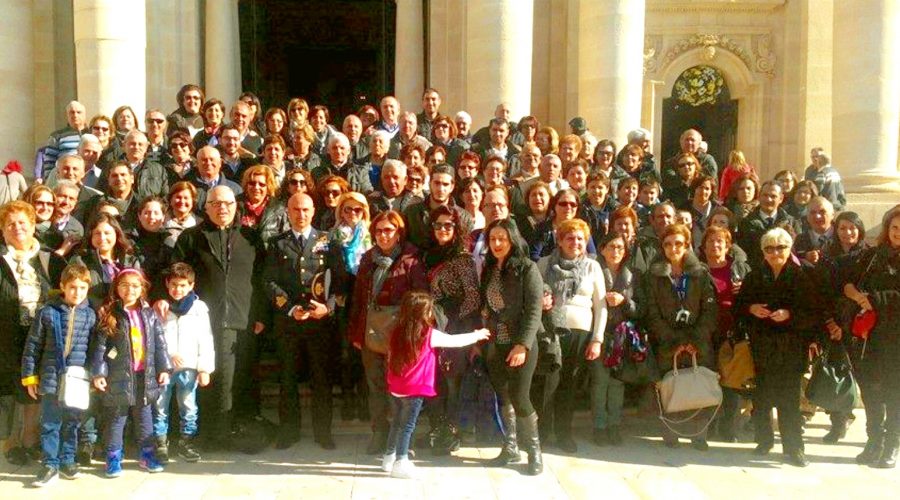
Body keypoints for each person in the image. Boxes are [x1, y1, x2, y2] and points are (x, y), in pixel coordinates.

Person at [172, 185, 259, 448]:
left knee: (237, 378)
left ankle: (232, 430)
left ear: (236, 206)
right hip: (202, 321)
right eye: (216, 203)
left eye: (228, 204)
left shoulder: (251, 238)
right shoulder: (190, 237)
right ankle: (211, 434)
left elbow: (262, 277)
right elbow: (177, 276)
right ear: (206, 207)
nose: (223, 208)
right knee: (209, 376)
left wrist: (261, 315)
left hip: (244, 319)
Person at [263, 193, 343, 450]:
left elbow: (341, 281)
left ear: (313, 210)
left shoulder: (328, 241)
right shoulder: (277, 243)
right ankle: (289, 431)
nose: (301, 214)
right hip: (289, 324)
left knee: (322, 380)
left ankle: (323, 432)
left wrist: (328, 308)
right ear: (288, 211)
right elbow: (269, 281)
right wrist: (289, 308)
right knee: (287, 379)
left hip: (320, 324)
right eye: (296, 209)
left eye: (306, 209)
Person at [381, 291, 490, 479]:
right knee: (408, 426)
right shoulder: (427, 334)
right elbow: (455, 341)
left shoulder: (396, 331)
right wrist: (477, 335)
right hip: (414, 388)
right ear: (423, 314)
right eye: (429, 310)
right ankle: (401, 460)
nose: (432, 314)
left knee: (397, 423)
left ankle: (388, 458)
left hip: (397, 386)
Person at [734, 227, 818, 467]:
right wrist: (752, 309)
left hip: (791, 346)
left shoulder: (801, 275)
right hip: (764, 345)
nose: (774, 253)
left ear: (788, 248)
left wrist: (789, 314)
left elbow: (812, 312)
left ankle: (794, 449)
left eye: (780, 247)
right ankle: (764, 441)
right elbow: (740, 305)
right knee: (762, 397)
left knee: (789, 400)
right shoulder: (755, 275)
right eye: (769, 249)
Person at [348, 210, 428, 455]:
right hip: (371, 333)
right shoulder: (368, 259)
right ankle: (379, 433)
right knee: (376, 387)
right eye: (379, 231)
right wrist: (356, 333)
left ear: (398, 233)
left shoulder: (411, 260)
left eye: (389, 230)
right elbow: (359, 299)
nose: (384, 235)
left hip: (400, 336)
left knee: (401, 390)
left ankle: (401, 439)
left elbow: (422, 298)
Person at [642, 223, 718, 450]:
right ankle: (671, 433)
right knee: (670, 388)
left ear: (687, 245)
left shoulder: (701, 273)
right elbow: (652, 312)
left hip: (698, 341)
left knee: (698, 385)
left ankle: (699, 435)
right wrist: (674, 341)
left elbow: (710, 310)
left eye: (678, 243)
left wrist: (694, 341)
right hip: (667, 341)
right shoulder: (653, 275)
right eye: (668, 244)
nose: (673, 248)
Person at [91, 268, 172, 477]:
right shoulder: (110, 314)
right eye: (125, 285)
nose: (130, 290)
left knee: (145, 417)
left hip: (144, 375)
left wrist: (163, 368)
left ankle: (147, 455)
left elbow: (160, 344)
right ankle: (113, 458)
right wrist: (99, 373)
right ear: (116, 288)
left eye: (135, 285)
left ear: (143, 288)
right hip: (118, 375)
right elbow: (100, 347)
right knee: (117, 418)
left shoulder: (149, 313)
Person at [20, 263, 95, 487]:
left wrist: (93, 376)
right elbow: (32, 346)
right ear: (62, 286)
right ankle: (50, 463)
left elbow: (94, 350)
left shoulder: (90, 315)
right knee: (51, 422)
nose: (77, 292)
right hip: (51, 377)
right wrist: (30, 376)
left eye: (82, 288)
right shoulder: (48, 312)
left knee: (72, 422)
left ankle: (67, 460)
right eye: (72, 287)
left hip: (77, 381)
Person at [535, 219, 607, 453]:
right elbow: (533, 295)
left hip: (579, 334)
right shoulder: (544, 264)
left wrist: (597, 339)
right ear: (560, 240)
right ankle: (543, 433)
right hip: (550, 331)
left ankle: (564, 433)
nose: (575, 242)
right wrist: (542, 301)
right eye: (570, 238)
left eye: (580, 238)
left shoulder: (592, 267)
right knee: (548, 383)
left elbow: (601, 305)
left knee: (569, 384)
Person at [481, 218, 545, 475]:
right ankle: (510, 447)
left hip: (521, 343)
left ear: (512, 240)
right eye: (492, 239)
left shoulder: (527, 268)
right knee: (503, 396)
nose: (497, 244)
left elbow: (534, 311)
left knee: (520, 397)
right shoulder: (489, 269)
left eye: (502, 239)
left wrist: (522, 345)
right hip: (496, 341)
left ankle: (534, 452)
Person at [841, 206, 900, 468]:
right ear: (887, 229)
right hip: (870, 337)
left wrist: (875, 299)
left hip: (897, 338)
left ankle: (891, 446)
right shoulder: (872, 256)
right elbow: (848, 283)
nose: (898, 233)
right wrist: (858, 297)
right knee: (872, 393)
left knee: (895, 394)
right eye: (895, 227)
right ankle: (874, 441)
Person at [421, 205, 482, 454]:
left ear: (458, 229)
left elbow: (472, 297)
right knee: (432, 382)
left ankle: (450, 433)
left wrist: (451, 320)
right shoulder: (429, 255)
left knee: (451, 382)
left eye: (449, 225)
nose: (443, 229)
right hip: (430, 327)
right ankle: (436, 430)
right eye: (438, 225)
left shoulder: (463, 259)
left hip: (454, 328)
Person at [153, 262, 214, 464]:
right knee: (160, 405)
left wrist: (204, 368)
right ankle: (160, 443)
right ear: (167, 284)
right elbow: (155, 336)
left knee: (188, 406)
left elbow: (205, 339)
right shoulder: (161, 307)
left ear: (191, 285)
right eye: (173, 285)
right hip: (165, 368)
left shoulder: (199, 308)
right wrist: (169, 355)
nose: (177, 290)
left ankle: (187, 442)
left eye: (182, 285)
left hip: (189, 368)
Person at [699, 226, 751, 442]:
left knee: (731, 382)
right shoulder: (698, 270)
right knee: (709, 379)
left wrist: (744, 291)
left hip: (734, 332)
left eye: (720, 241)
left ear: (728, 245)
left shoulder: (739, 269)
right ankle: (707, 426)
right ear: (703, 246)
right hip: (708, 331)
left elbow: (754, 297)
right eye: (710, 241)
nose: (715, 245)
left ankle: (729, 428)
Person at [592, 232, 636, 446]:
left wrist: (624, 300)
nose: (615, 251)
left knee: (617, 384)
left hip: (621, 337)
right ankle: (599, 426)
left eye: (620, 247)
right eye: (611, 246)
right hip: (600, 333)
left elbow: (640, 307)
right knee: (600, 383)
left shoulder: (631, 275)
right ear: (602, 249)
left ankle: (614, 425)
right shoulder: (594, 271)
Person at [70, 213, 140, 308]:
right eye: (97, 233)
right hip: (92, 315)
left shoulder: (131, 262)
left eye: (107, 233)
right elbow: (73, 292)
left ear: (116, 234)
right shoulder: (80, 261)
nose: (102, 238)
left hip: (125, 315)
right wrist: (99, 306)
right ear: (91, 236)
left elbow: (139, 292)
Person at [736, 180, 801, 267]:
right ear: (759, 196)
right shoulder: (746, 223)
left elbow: (798, 251)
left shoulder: (791, 222)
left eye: (773, 196)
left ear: (781, 198)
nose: (768, 199)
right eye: (765, 195)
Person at [40, 101, 88, 182]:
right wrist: (50, 180)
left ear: (84, 115)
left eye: (79, 112)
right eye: (71, 112)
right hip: (64, 178)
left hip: (88, 177)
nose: (75, 115)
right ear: (67, 115)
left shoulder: (92, 133)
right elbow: (49, 161)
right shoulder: (57, 135)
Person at [662, 129, 718, 194]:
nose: (689, 142)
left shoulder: (707, 160)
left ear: (699, 143)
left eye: (692, 140)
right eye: (687, 140)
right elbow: (668, 179)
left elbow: (709, 179)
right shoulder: (671, 162)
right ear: (681, 142)